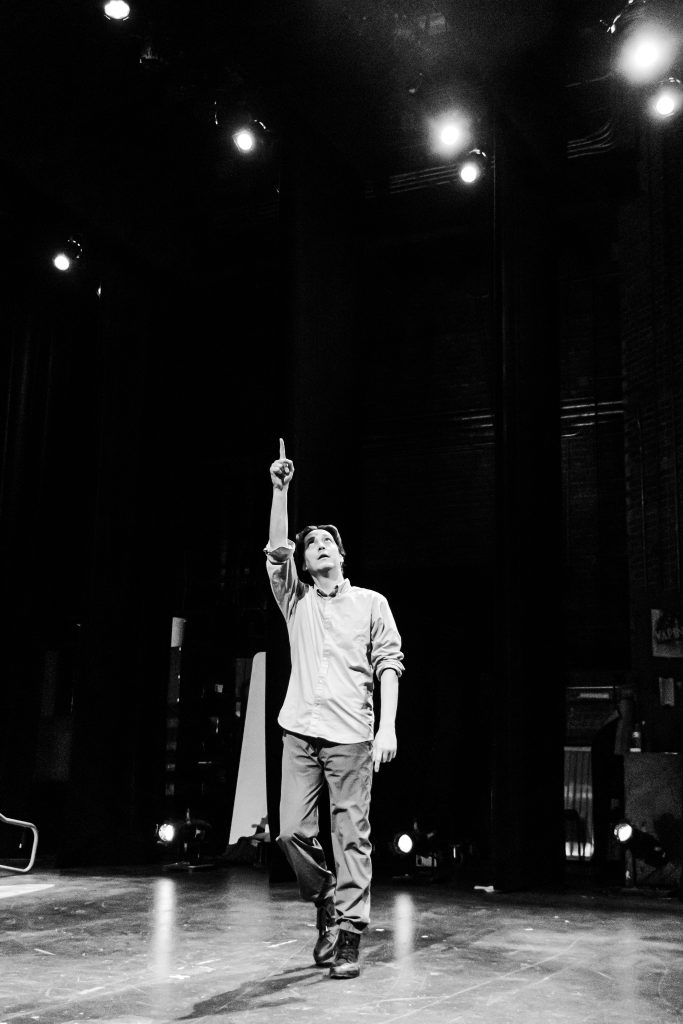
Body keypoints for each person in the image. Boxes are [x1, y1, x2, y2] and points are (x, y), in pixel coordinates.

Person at [266, 438, 404, 979]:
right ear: (304, 562)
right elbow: (276, 548)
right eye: (312, 544)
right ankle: (326, 896)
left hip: (351, 736)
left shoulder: (371, 603)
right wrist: (280, 491)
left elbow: (389, 663)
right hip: (300, 731)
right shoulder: (294, 599)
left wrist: (387, 726)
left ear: (342, 555)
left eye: (327, 542)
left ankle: (349, 934)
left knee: (352, 835)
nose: (319, 546)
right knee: (289, 833)